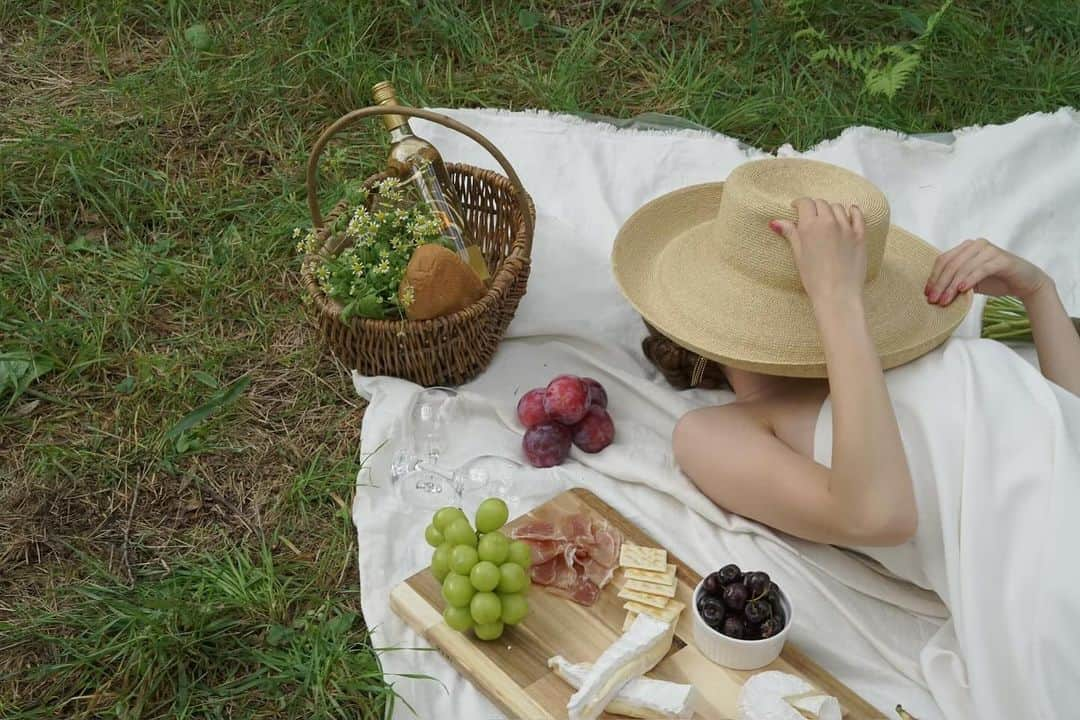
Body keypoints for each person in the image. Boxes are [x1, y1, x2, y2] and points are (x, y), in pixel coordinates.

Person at [611, 157, 1080, 719]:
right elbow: (879, 516)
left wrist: (1040, 293)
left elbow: (1061, 424)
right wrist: (838, 300)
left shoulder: (898, 348)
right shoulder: (717, 432)